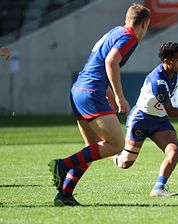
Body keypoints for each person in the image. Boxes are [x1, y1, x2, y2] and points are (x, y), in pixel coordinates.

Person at [48, 3, 151, 206]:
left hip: (79, 90)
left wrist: (111, 96)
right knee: (117, 145)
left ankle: (65, 195)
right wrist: (120, 97)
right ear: (144, 24)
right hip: (91, 93)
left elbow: (96, 65)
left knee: (93, 148)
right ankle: (62, 165)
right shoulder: (130, 36)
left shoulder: (115, 31)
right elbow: (111, 62)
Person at [111, 41, 178, 197]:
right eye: (177, 58)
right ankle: (107, 152)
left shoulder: (177, 72)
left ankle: (158, 188)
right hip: (141, 119)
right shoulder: (158, 81)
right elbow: (171, 111)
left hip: (159, 121)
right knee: (125, 163)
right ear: (167, 61)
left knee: (175, 152)